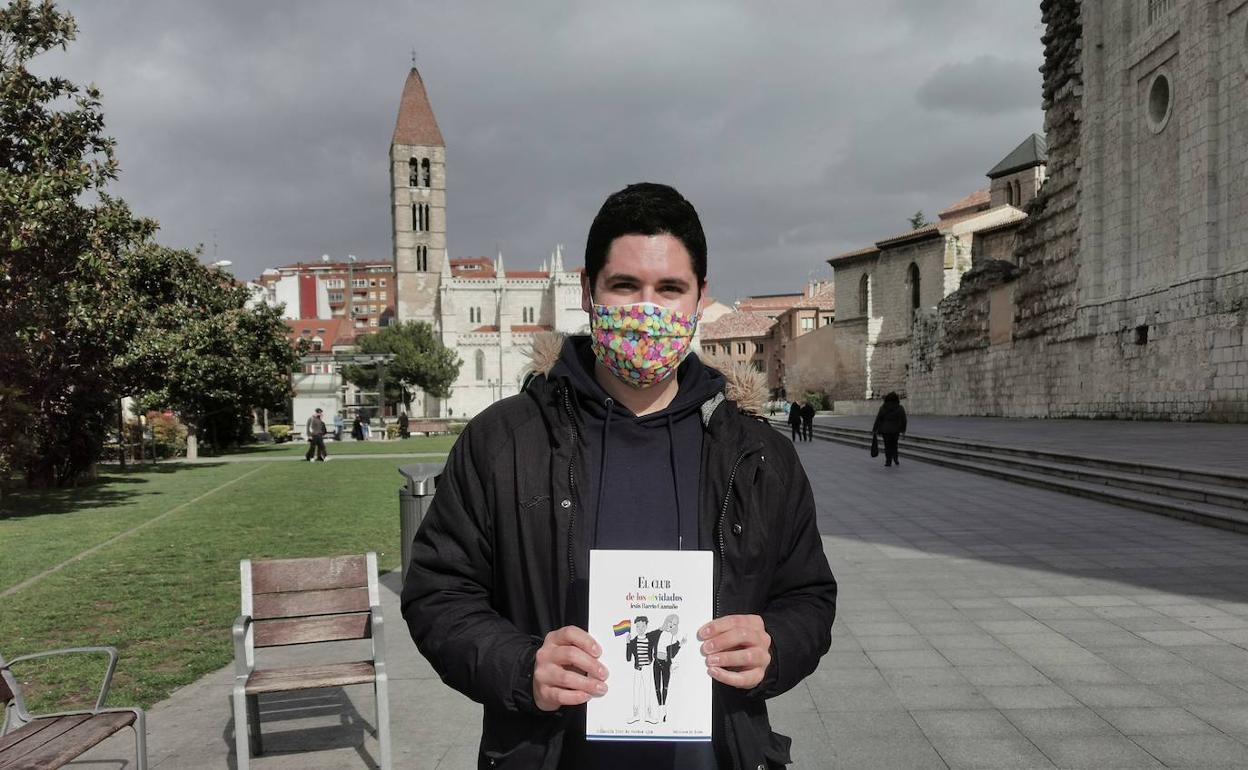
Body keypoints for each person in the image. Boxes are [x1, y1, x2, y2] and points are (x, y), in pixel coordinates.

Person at [401, 182, 837, 770]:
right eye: (625, 286)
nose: (647, 310)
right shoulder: (504, 441)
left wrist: (775, 647)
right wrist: (520, 666)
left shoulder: (758, 454)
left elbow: (808, 596)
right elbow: (438, 593)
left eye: (670, 289)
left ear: (700, 297)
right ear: (587, 290)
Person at [872, 391, 907, 467]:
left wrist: (875, 429)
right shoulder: (900, 408)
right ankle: (895, 458)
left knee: (887, 446)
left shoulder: (883, 408)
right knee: (894, 445)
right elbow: (904, 419)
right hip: (895, 430)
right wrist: (903, 430)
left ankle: (888, 461)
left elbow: (878, 419)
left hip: (886, 430)